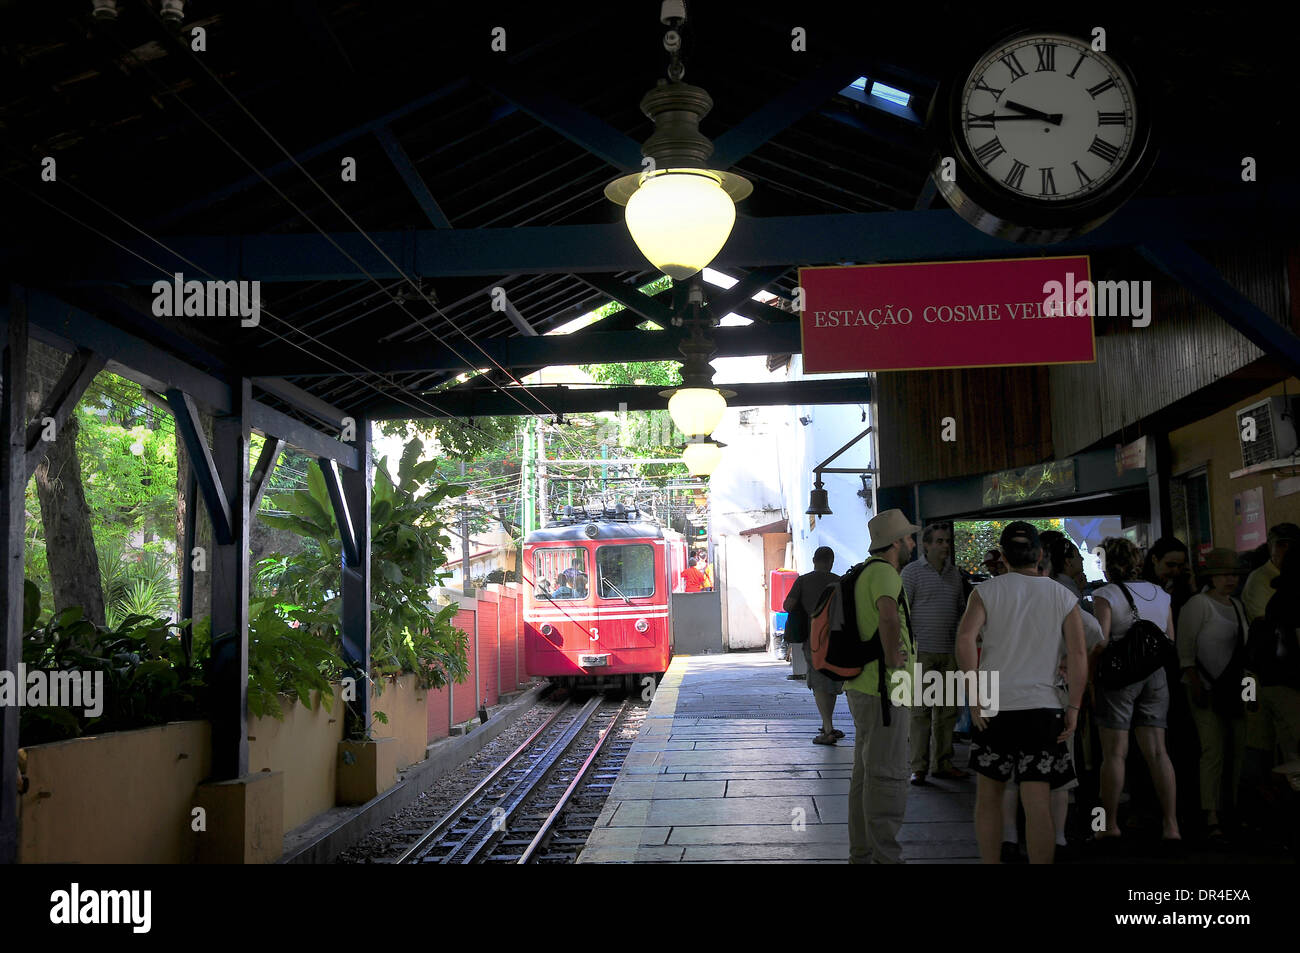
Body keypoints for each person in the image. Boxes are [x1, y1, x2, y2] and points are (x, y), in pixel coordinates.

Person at [957, 522, 1086, 864]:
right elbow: (1078, 654)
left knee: (988, 797)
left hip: (995, 706)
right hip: (1043, 709)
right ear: (1040, 554)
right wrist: (1073, 705)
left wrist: (975, 696)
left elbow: (966, 639)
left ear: (1002, 555)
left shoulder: (985, 592)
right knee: (1038, 800)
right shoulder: (1063, 596)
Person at [999, 530, 1104, 862]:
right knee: (1058, 772)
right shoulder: (1058, 597)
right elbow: (1095, 635)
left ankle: (1011, 838)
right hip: (1051, 697)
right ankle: (1057, 839)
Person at [1092, 537, 1182, 848]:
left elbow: (1102, 640)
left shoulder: (1104, 594)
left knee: (1115, 753)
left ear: (1106, 563)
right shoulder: (1160, 593)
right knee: (1158, 752)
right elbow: (1170, 638)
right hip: (1155, 677)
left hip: (1119, 679)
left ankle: (1108, 824)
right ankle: (1171, 825)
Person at [845, 508, 917, 864]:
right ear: (896, 543)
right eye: (909, 538)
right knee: (887, 773)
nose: (913, 543)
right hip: (885, 690)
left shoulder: (864, 572)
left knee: (865, 772)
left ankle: (861, 852)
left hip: (864, 686)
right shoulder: (886, 574)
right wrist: (893, 659)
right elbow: (889, 615)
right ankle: (886, 857)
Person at [1177, 548, 1247, 844]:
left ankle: (1232, 808)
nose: (1230, 579)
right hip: (1204, 686)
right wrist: (1195, 683)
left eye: (1233, 574)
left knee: (1238, 750)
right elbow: (1185, 651)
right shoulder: (1198, 605)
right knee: (1213, 750)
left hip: (1232, 688)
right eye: (1224, 574)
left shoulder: (1237, 605)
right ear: (1212, 577)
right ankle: (1211, 814)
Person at [902, 521, 968, 784]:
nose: (945, 546)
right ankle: (918, 767)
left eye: (947, 541)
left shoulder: (955, 575)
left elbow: (962, 611)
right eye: (939, 541)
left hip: (949, 652)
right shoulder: (911, 572)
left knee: (947, 711)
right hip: (921, 652)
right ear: (926, 545)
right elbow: (902, 612)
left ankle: (943, 762)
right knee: (920, 712)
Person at [783, 546, 844, 745]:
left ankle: (827, 728)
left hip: (814, 638)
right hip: (837, 637)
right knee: (832, 680)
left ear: (814, 560)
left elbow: (787, 606)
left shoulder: (803, 580)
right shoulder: (839, 581)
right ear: (831, 561)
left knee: (818, 682)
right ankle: (829, 725)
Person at [1242, 523, 1300, 622]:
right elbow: (1268, 625)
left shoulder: (1293, 574)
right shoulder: (1258, 580)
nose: (1287, 550)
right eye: (1281, 545)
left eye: (1293, 546)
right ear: (1270, 547)